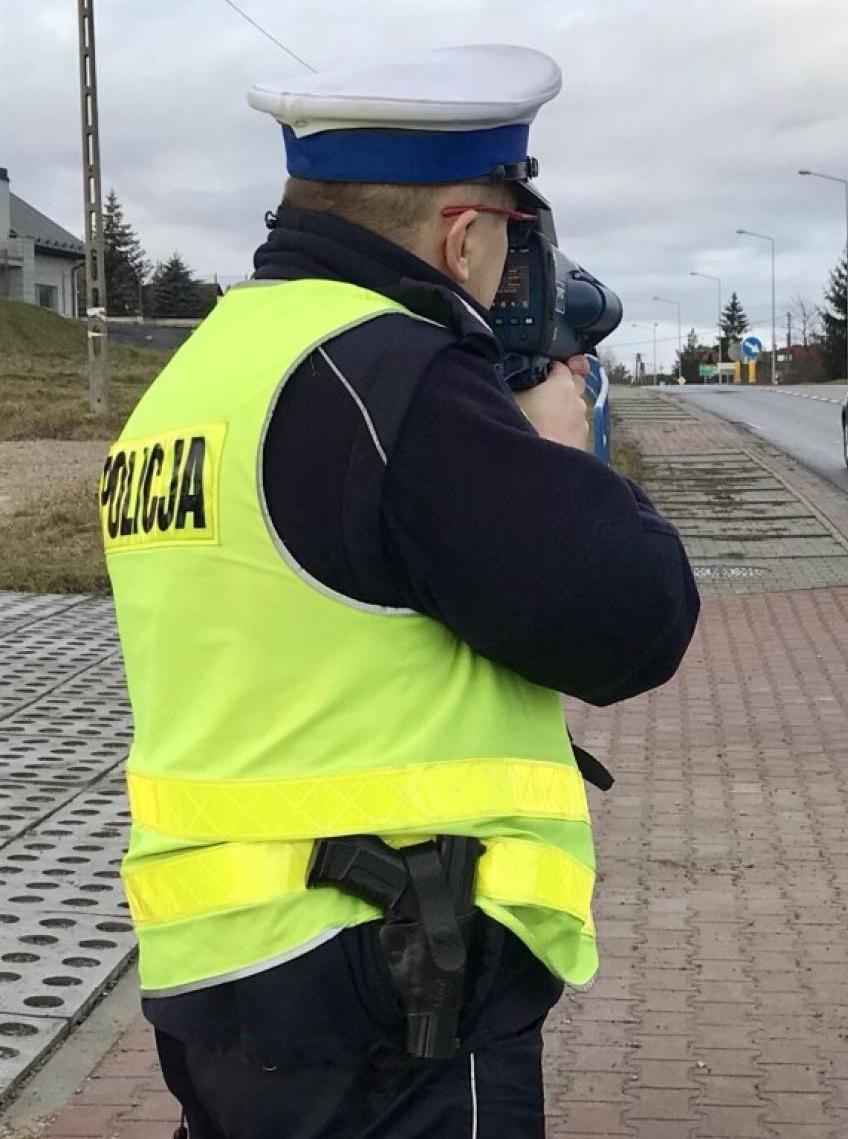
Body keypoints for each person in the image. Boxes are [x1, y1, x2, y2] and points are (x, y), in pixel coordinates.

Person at [98, 44, 698, 1137]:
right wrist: (557, 454)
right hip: (389, 983)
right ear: (462, 234)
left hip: (215, 976)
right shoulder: (392, 376)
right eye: (510, 238)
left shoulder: (200, 377)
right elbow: (632, 619)